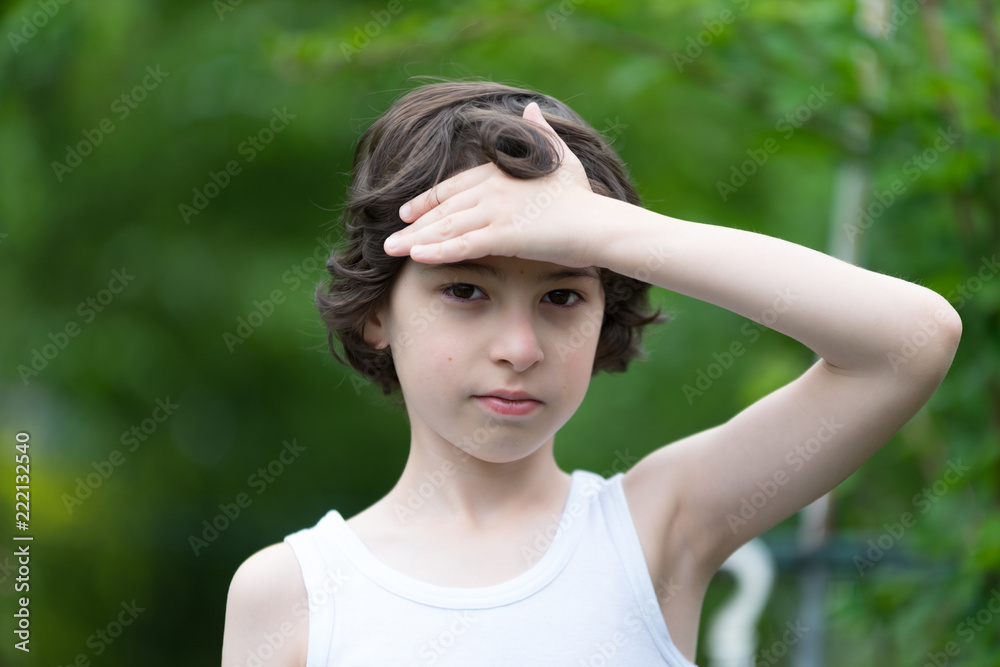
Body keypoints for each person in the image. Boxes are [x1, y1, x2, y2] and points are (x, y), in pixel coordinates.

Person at [220, 78, 961, 666]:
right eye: (466, 290)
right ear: (377, 310)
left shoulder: (656, 531)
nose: (520, 345)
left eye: (562, 295)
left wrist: (604, 228)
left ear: (605, 309)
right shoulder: (292, 592)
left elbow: (911, 341)